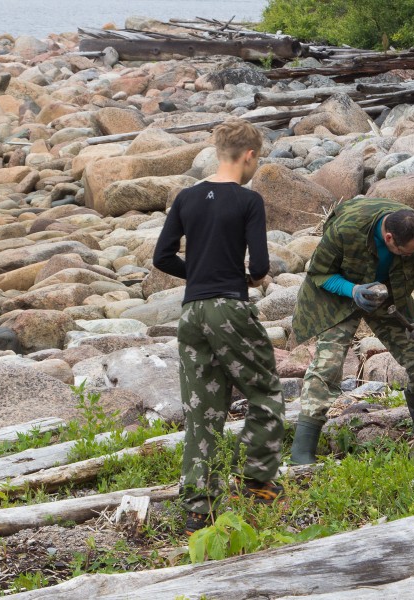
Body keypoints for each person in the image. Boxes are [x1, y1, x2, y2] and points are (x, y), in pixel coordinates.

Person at [152, 118, 285, 535]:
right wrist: (241, 276)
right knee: (264, 391)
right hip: (229, 308)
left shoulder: (186, 198)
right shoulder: (248, 201)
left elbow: (162, 257)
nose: (254, 166)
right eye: (256, 160)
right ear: (248, 156)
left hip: (191, 314)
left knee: (201, 409)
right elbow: (260, 266)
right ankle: (257, 481)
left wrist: (199, 271)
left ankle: (198, 508)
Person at [289, 197, 414, 464]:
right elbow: (319, 273)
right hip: (338, 294)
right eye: (403, 252)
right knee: (327, 366)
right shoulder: (347, 228)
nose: (409, 256)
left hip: (389, 295)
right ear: (388, 237)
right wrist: (353, 290)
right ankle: (302, 453)